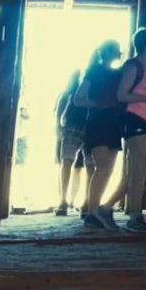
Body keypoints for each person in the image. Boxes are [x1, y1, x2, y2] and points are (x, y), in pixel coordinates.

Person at [73, 40, 124, 230]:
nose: (118, 53)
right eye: (115, 50)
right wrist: (99, 104)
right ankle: (93, 210)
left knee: (108, 170)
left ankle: (95, 211)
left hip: (113, 124)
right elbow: (78, 99)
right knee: (101, 168)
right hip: (98, 122)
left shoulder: (119, 74)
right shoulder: (94, 72)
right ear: (107, 53)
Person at [118, 27, 146, 233]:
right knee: (138, 170)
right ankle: (134, 216)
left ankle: (106, 209)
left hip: (145, 121)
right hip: (134, 119)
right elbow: (122, 95)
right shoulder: (133, 66)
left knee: (140, 170)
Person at [54, 69, 87, 216]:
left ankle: (67, 201)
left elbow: (59, 113)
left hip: (73, 127)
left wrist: (59, 128)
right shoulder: (69, 93)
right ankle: (66, 200)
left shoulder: (70, 92)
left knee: (71, 164)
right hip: (74, 127)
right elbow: (59, 112)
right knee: (71, 165)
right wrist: (59, 128)